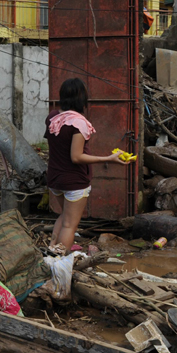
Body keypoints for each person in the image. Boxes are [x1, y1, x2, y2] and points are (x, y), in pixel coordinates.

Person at [45, 78, 130, 254]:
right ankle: (58, 263)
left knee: (64, 216)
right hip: (74, 181)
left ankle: (51, 251)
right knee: (69, 225)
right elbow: (76, 157)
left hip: (54, 179)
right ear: (81, 98)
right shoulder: (78, 123)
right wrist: (108, 158)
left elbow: (55, 147)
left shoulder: (52, 118)